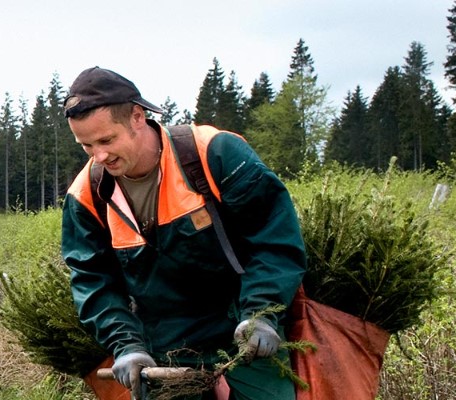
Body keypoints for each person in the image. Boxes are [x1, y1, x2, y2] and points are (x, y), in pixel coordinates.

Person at [61, 66, 307, 400]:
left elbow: (273, 240)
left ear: (137, 116)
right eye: (86, 146)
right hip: (164, 344)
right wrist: (127, 345)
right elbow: (93, 281)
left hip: (244, 330)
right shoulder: (84, 196)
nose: (99, 156)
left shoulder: (213, 153)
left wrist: (262, 313)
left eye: (106, 140)